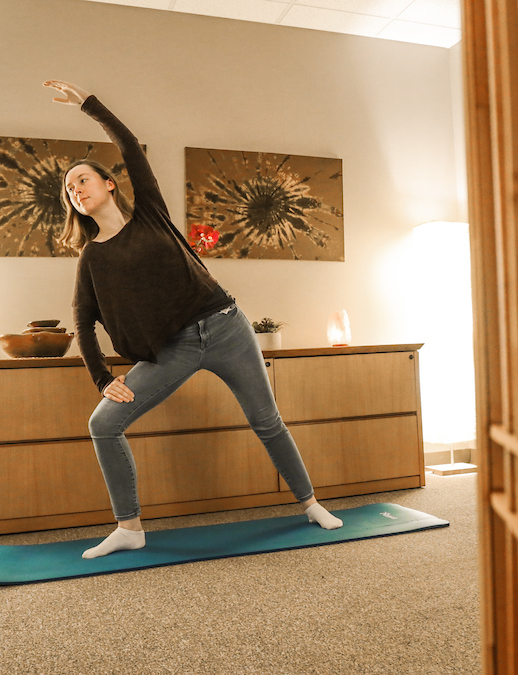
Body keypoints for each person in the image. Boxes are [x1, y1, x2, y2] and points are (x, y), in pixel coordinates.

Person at [43, 80, 343, 560]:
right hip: (174, 348)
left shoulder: (151, 215)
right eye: (68, 188)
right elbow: (82, 324)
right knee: (104, 423)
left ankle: (311, 504)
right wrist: (102, 378)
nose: (75, 189)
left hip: (226, 327)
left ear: (109, 184)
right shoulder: (92, 258)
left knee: (267, 421)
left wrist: (88, 105)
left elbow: (125, 141)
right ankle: (129, 527)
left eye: (82, 179)